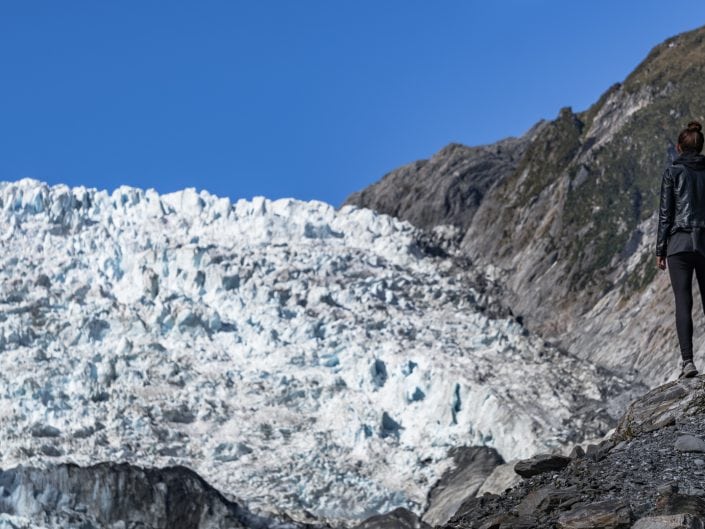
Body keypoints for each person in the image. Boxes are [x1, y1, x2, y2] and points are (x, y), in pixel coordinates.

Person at [656, 121, 705, 379]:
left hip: (679, 244)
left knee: (683, 302)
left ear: (679, 148)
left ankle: (688, 362)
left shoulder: (672, 172)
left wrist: (660, 250)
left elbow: (666, 214)